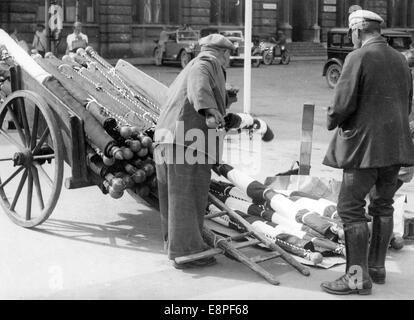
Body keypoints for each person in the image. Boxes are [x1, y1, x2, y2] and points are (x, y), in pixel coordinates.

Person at [321, 9, 414, 295]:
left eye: (351, 33)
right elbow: (407, 104)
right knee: (383, 205)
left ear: (358, 30)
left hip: (363, 149)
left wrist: (331, 119)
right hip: (396, 147)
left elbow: (342, 104)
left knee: (350, 209)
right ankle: (376, 268)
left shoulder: (358, 57)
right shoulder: (400, 59)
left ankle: (355, 278)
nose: (351, 37)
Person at [153, 34, 235, 269]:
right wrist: (210, 110)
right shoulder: (206, 63)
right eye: (229, 54)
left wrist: (224, 100)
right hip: (187, 139)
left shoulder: (191, 65)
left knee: (174, 197)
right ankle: (189, 253)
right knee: (189, 195)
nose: (229, 59)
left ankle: (176, 248)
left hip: (168, 137)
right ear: (223, 53)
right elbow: (199, 88)